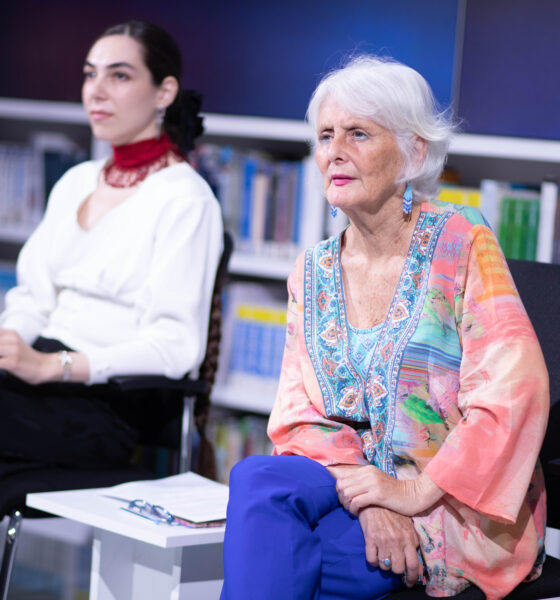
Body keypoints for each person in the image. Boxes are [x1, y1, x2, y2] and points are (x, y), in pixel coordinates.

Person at [220, 56, 548, 600]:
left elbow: (514, 392)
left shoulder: (461, 239)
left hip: (449, 501)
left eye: (358, 133)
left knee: (279, 556)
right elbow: (300, 413)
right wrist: (373, 499)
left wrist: (409, 493)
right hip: (348, 480)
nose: (334, 151)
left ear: (413, 152)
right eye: (325, 135)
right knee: (256, 479)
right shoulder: (311, 269)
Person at [0, 21, 223, 476]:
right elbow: (33, 299)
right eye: (90, 74)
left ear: (164, 92)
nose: (96, 91)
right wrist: (11, 344)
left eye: (119, 75)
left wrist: (53, 366)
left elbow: (174, 346)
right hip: (33, 381)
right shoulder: (76, 181)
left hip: (106, 403)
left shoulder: (186, 198)